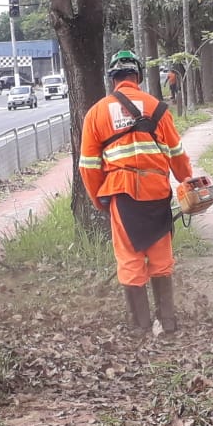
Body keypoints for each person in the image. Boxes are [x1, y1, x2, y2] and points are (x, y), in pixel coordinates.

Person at [79, 50, 194, 332]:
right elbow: (177, 156)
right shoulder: (157, 108)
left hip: (121, 195)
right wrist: (187, 181)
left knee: (130, 258)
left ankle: (140, 326)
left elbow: (89, 167)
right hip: (156, 193)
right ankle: (167, 322)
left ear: (113, 79)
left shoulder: (96, 113)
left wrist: (100, 200)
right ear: (138, 77)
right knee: (160, 257)